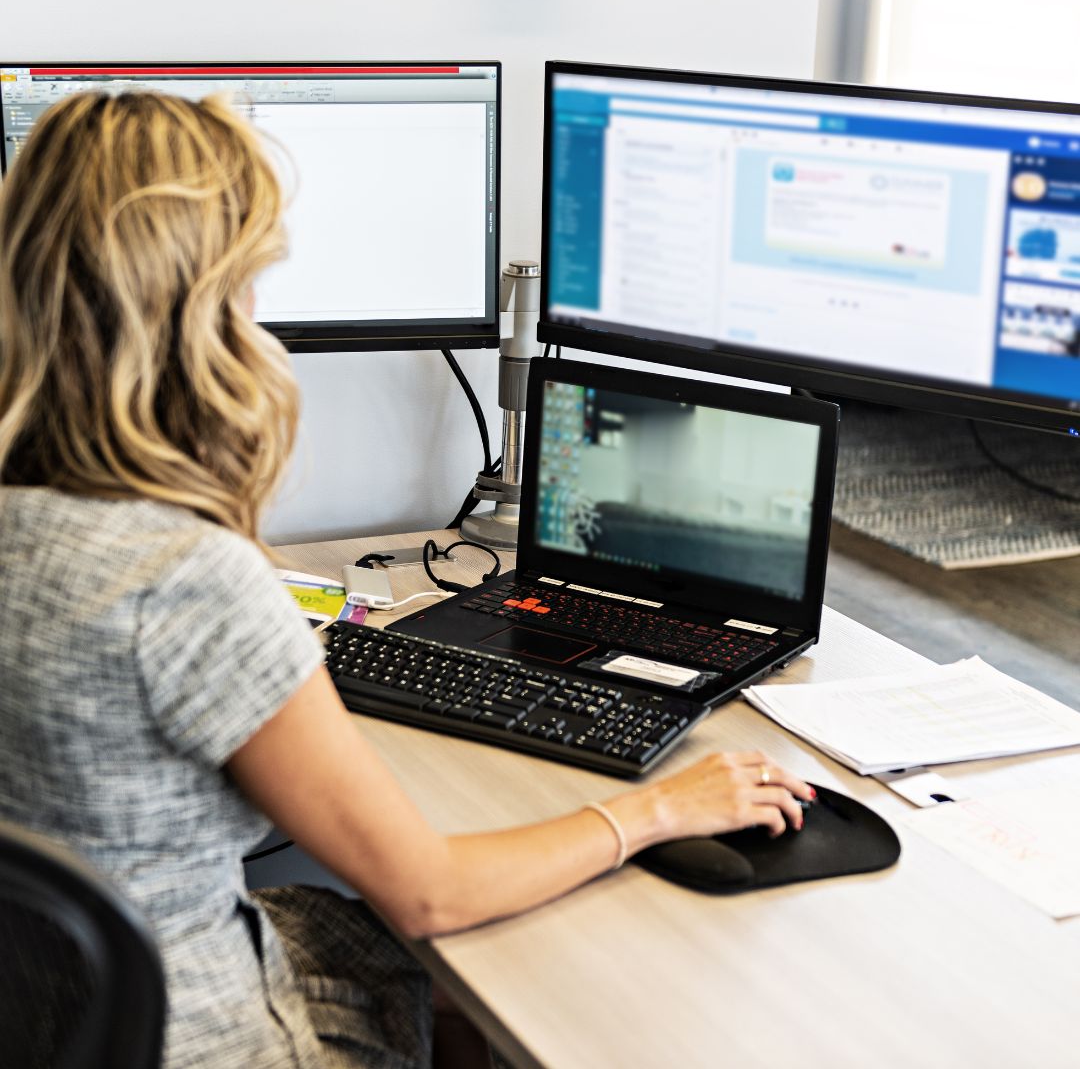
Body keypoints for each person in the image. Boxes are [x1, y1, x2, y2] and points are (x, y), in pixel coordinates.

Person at [0, 91, 813, 1069]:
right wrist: (657, 811)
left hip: (48, 1020)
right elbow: (428, 888)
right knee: (558, 999)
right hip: (204, 1037)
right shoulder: (187, 583)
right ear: (208, 309)